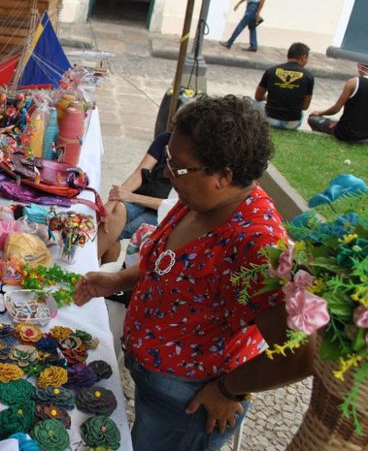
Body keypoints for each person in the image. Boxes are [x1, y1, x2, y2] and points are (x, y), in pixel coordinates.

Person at [74, 95, 313, 451]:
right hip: (156, 382)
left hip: (190, 401)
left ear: (224, 175)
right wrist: (117, 279)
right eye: (168, 159)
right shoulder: (198, 200)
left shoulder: (257, 245)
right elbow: (168, 265)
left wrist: (227, 389)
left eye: (179, 167)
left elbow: (301, 355)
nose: (167, 172)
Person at [97, 132, 172, 264]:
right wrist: (112, 203)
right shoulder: (166, 138)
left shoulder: (197, 161)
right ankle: (89, 269)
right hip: (145, 195)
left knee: (113, 232)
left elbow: (173, 205)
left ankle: (96, 276)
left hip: (162, 211)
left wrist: (132, 197)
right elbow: (139, 173)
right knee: (116, 211)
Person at [253, 42, 314, 129]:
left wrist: (269, 98)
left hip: (270, 119)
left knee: (250, 102)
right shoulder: (309, 76)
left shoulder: (271, 71)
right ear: (303, 57)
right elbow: (305, 107)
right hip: (293, 123)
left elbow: (258, 97)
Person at [308, 62, 368, 142]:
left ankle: (321, 136)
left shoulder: (353, 83)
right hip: (365, 136)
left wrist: (320, 113)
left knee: (312, 119)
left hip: (345, 133)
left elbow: (335, 109)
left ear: (361, 67)